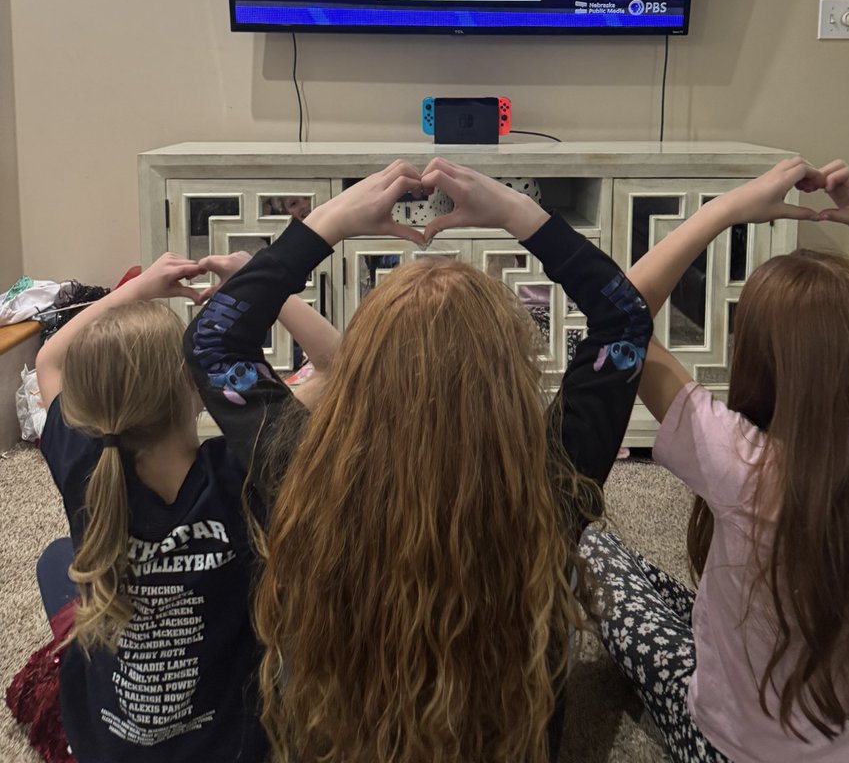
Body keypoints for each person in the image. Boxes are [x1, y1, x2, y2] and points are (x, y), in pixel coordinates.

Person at [184, 157, 652, 763]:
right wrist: (519, 213)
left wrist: (325, 223)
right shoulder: (552, 483)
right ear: (510, 377)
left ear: (360, 374)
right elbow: (625, 318)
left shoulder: (300, 468)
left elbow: (213, 342)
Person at [579, 157, 849, 762]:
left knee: (590, 546)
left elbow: (618, 316)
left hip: (730, 748)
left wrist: (721, 210)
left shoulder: (740, 462)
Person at [30, 251, 339, 763]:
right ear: (194, 390)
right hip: (234, 747)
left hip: (107, 747)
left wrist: (138, 288)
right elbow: (342, 366)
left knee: (58, 557)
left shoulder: (82, 462)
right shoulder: (247, 464)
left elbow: (49, 359)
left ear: (86, 403)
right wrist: (261, 281)